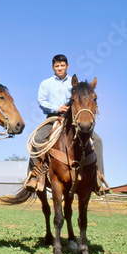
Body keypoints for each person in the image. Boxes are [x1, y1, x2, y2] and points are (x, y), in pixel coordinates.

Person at [26, 54, 104, 191]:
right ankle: (36, 175)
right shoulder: (46, 83)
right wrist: (57, 108)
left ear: (67, 66)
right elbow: (41, 101)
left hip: (73, 119)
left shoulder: (75, 84)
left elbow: (83, 98)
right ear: (53, 67)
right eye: (57, 66)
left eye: (62, 65)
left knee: (97, 140)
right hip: (53, 117)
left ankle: (98, 177)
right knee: (37, 139)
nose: (59, 68)